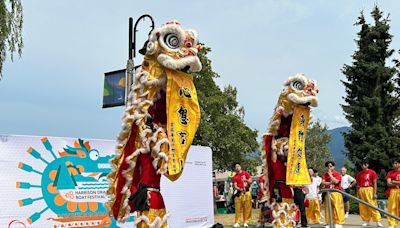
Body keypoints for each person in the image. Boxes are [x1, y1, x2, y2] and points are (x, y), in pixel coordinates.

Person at [355, 159, 383, 227]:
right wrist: (358, 194)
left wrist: (375, 193)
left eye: (365, 164)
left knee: (373, 205)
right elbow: (358, 185)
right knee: (363, 206)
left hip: (369, 189)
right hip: (361, 190)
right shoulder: (359, 174)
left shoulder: (372, 172)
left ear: (367, 165)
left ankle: (377, 221)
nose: (363, 166)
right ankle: (366, 220)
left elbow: (375, 183)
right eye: (362, 165)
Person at [321, 161, 345, 228]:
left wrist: (330, 175)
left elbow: (336, 181)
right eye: (328, 166)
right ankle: (329, 222)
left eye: (331, 166)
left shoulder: (337, 174)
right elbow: (323, 183)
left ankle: (338, 222)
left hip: (336, 193)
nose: (329, 167)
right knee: (328, 208)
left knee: (337, 208)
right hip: (328, 193)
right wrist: (330, 183)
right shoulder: (324, 174)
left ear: (334, 167)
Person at [232, 163, 252, 228]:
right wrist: (240, 189)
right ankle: (237, 222)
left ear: (240, 167)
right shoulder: (234, 177)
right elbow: (235, 186)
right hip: (239, 193)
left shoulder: (246, 173)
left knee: (247, 208)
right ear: (234, 169)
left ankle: (246, 222)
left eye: (238, 166)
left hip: (247, 192)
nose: (237, 167)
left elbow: (250, 181)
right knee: (238, 208)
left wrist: (245, 180)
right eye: (236, 167)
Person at [386, 159, 400, 228]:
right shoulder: (390, 173)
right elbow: (388, 183)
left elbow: (391, 182)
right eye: (393, 163)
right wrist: (397, 183)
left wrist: (394, 181)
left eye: (396, 163)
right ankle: (392, 223)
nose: (394, 165)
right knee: (392, 207)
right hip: (393, 191)